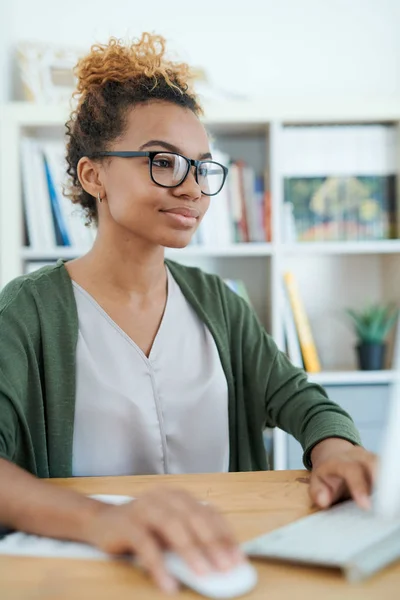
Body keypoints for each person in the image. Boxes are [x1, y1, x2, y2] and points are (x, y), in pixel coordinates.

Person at [0, 33, 376, 593]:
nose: (192, 188)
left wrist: (337, 449)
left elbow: (298, 397)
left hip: (218, 563)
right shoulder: (26, 312)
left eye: (201, 167)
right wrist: (103, 522)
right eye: (163, 161)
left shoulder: (220, 302)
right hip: (86, 571)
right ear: (92, 176)